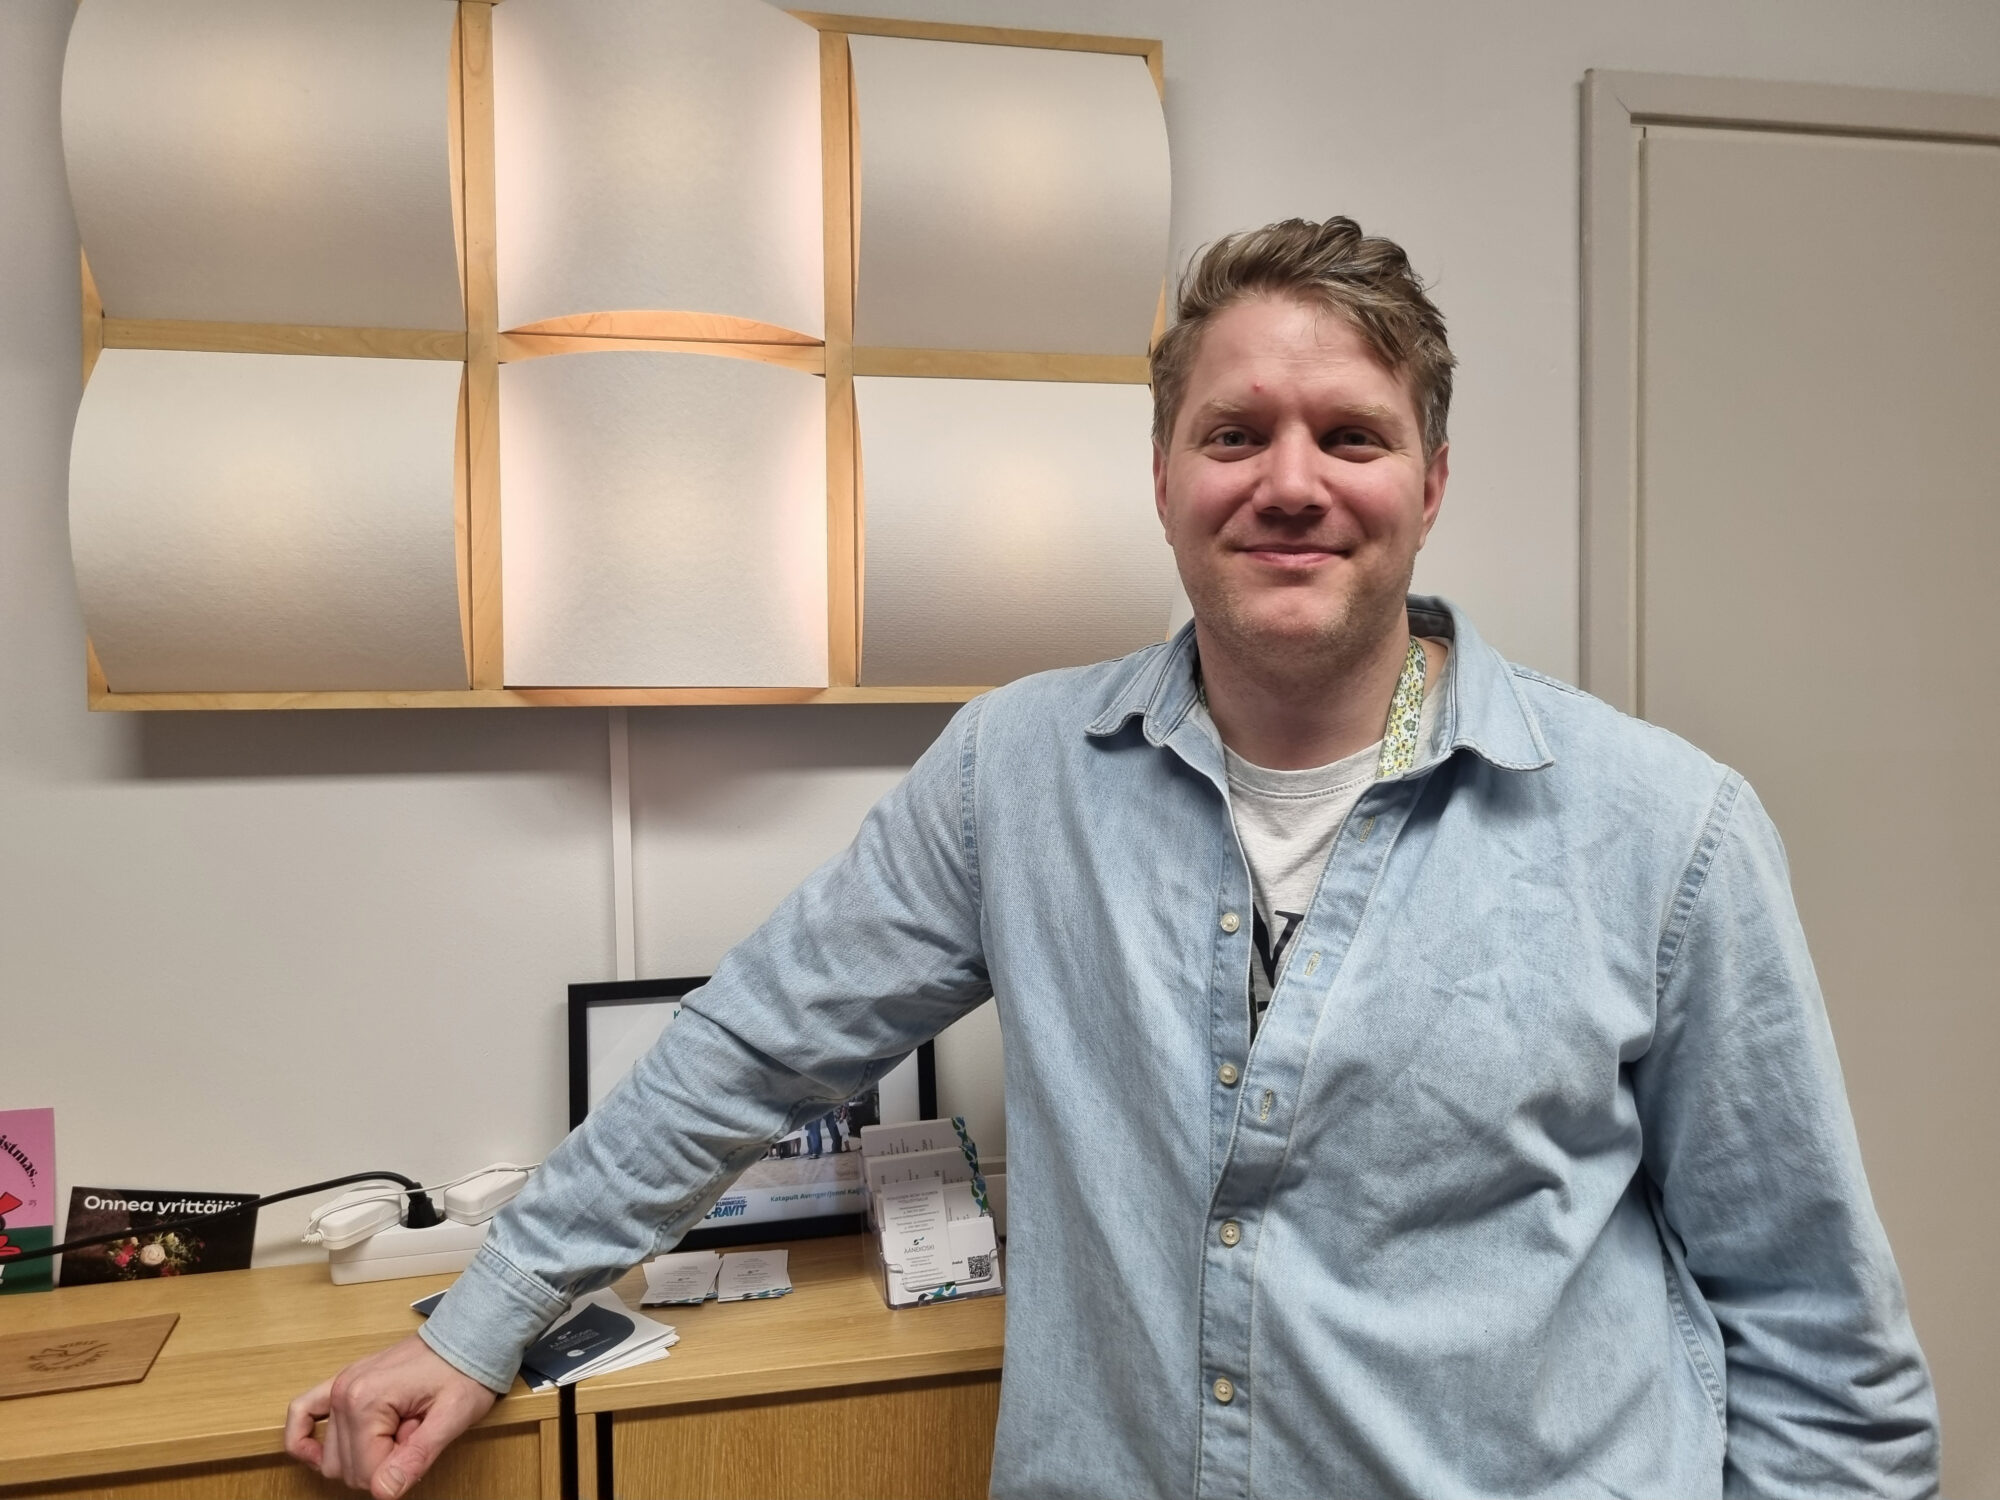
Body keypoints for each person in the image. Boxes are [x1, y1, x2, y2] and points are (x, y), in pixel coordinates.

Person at [286, 218, 1939, 1499]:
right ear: (1162, 479)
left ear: (1432, 483)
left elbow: (1820, 1340)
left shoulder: (1663, 829)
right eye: (1236, 434)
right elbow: (752, 1047)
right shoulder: (1017, 775)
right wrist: (482, 1322)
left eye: (1352, 437)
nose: (1291, 483)